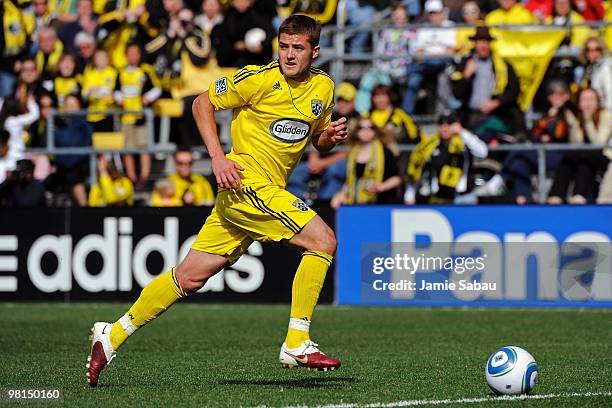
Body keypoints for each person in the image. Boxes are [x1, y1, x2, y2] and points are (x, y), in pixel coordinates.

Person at [86, 15, 348, 386]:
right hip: (244, 183)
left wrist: (329, 138)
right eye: (284, 46)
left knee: (190, 277)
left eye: (298, 48)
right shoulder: (256, 79)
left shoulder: (324, 87)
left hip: (261, 194)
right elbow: (200, 104)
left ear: (314, 51)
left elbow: (315, 136)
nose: (289, 55)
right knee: (323, 240)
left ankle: (111, 335)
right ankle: (297, 340)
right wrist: (217, 157)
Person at [448, 26, 526, 142]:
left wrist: (497, 102)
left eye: (486, 41)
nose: (483, 45)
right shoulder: (464, 63)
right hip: (471, 116)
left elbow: (514, 89)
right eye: (480, 41)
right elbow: (457, 94)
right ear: (474, 43)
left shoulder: (502, 65)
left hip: (497, 114)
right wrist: (466, 76)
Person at [404, 111, 488, 204]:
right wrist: (410, 195)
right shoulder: (431, 145)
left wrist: (462, 131)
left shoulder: (464, 142)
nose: (444, 128)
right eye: (441, 124)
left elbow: (482, 152)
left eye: (449, 123)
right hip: (440, 198)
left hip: (464, 197)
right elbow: (418, 170)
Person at [547, 87, 611, 204]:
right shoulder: (578, 117)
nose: (587, 103)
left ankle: (580, 194)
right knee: (572, 157)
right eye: (584, 100)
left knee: (586, 155)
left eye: (591, 99)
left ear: (598, 101)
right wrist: (573, 125)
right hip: (585, 158)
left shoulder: (606, 116)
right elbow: (576, 145)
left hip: (605, 157)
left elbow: (598, 144)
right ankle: (556, 195)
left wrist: (588, 121)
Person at [114, 42, 161, 188]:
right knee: (128, 148)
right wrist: (119, 99)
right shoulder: (121, 73)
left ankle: (144, 178)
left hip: (141, 117)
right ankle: (131, 178)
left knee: (143, 147)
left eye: (136, 53)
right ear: (126, 55)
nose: (133, 56)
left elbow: (157, 88)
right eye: (131, 53)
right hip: (126, 117)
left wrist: (147, 98)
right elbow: (116, 90)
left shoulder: (145, 72)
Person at [331, 117, 401, 208]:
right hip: (357, 202)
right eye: (361, 128)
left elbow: (396, 179)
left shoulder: (385, 152)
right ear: (356, 132)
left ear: (375, 131)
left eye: (370, 128)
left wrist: (380, 187)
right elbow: (351, 180)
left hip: (381, 203)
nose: (366, 131)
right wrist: (342, 194)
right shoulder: (352, 153)